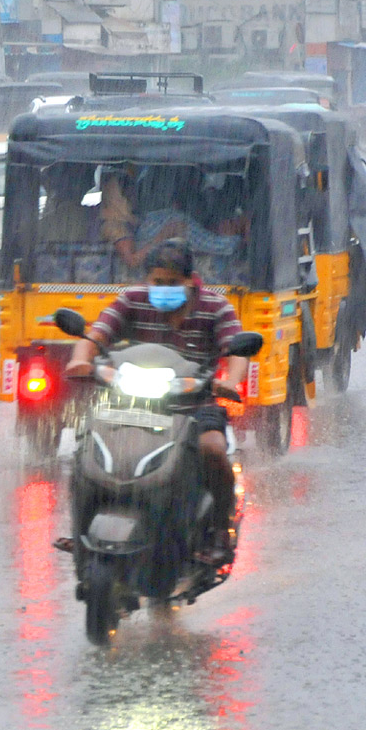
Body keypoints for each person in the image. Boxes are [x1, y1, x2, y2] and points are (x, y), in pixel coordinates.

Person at [65, 238, 248, 563]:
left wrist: (229, 381)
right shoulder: (132, 300)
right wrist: (80, 359)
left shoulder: (216, 308)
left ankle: (220, 529)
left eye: (172, 283)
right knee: (84, 448)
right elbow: (95, 336)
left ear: (190, 280)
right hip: (130, 401)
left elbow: (235, 352)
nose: (163, 289)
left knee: (213, 450)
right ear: (147, 280)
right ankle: (81, 525)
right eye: (157, 282)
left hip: (194, 404)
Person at [99, 163, 187, 271]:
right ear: (117, 197)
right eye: (127, 194)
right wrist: (163, 236)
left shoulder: (134, 220)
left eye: (133, 191)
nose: (134, 197)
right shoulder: (114, 226)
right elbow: (132, 261)